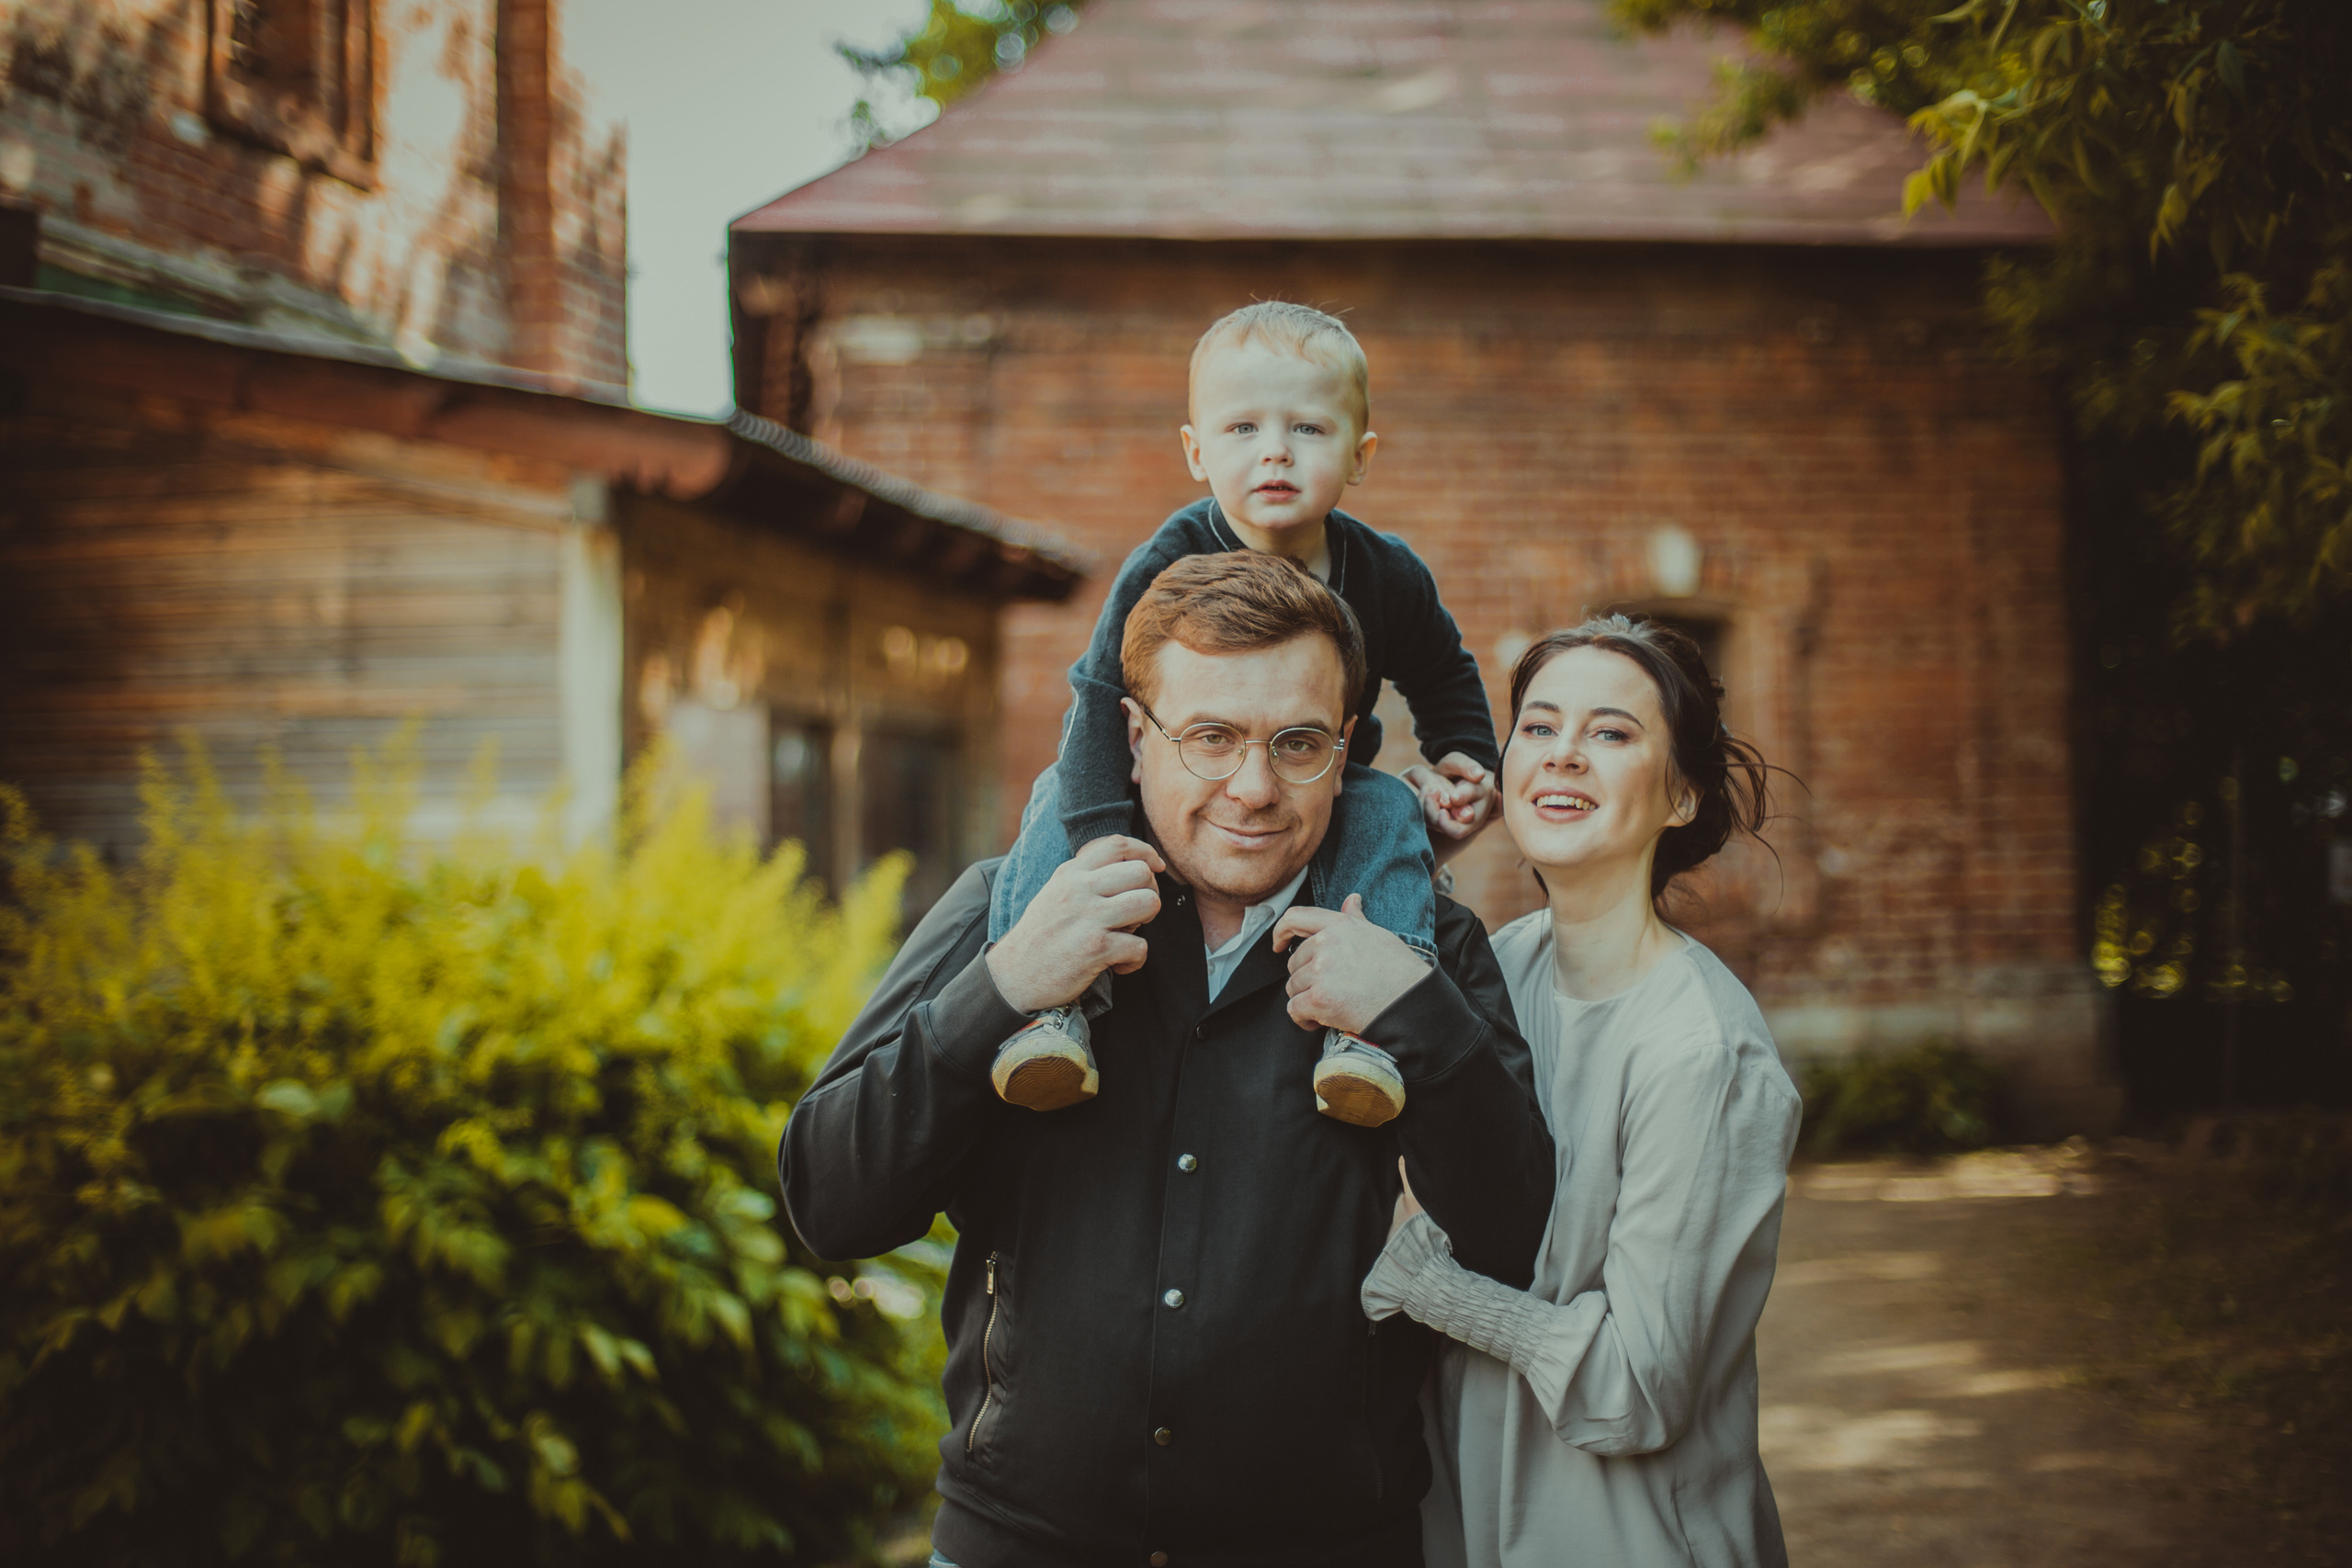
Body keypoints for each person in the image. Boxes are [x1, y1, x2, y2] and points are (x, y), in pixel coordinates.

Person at [779, 552, 1556, 1568]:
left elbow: (1511, 1238)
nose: (1254, 787)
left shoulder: (1424, 954)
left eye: (1298, 743)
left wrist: (1414, 1017)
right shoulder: (1008, 913)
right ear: (1135, 743)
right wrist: (1002, 989)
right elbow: (829, 1204)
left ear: (1350, 749)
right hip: (1020, 1544)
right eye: (1211, 739)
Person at [985, 301, 1502, 1128]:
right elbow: (1095, 695)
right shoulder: (1166, 559)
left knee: (1389, 807)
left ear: (1360, 456)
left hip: (1312, 780)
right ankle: (1049, 1015)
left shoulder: (1387, 572)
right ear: (1196, 450)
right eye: (1241, 429)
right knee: (1054, 792)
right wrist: (1099, 843)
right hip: (1156, 778)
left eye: (1307, 428)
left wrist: (1467, 756)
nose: (1274, 451)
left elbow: (1443, 668)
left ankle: (1369, 1035)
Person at [1360, 615, 1804, 1568]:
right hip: (1462, 1516)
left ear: (1680, 794)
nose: (1562, 756)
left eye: (1610, 733)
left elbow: (1636, 1389)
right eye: (1538, 726)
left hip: (1624, 1536)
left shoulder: (1702, 1052)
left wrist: (1434, 1288)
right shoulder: (1489, 967)